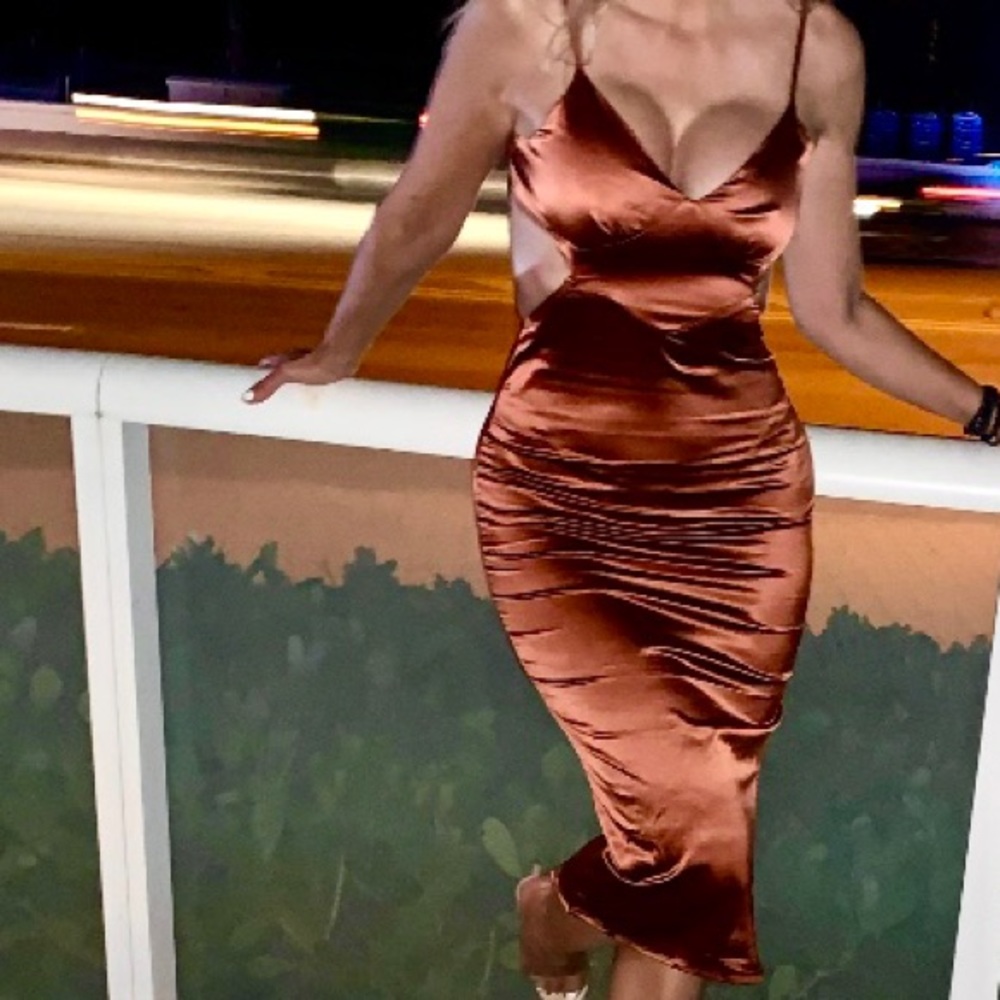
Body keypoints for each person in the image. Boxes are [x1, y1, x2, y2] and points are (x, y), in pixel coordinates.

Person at [242, 0, 997, 996]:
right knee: (687, 838)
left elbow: (834, 307)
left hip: (741, 509)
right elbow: (421, 210)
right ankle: (556, 911)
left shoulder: (817, 45)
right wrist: (342, 346)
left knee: (697, 835)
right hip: (560, 492)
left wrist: (987, 412)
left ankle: (558, 910)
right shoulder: (526, 25)